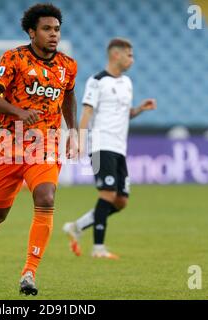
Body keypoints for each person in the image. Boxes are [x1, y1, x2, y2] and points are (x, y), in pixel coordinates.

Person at [0, 3, 78, 295]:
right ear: (32, 32)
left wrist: (72, 130)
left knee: (46, 197)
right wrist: (19, 112)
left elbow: (68, 96)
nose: (54, 35)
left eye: (57, 29)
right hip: (9, 144)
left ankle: (29, 273)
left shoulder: (67, 66)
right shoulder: (14, 59)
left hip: (45, 144)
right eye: (47, 29)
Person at [63, 38, 157, 259]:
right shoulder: (96, 82)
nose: (132, 59)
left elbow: (125, 114)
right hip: (100, 145)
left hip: (119, 147)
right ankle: (98, 249)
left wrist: (140, 109)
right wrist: (78, 140)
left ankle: (76, 227)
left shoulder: (127, 83)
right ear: (116, 55)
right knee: (108, 194)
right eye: (129, 55)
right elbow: (86, 113)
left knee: (120, 201)